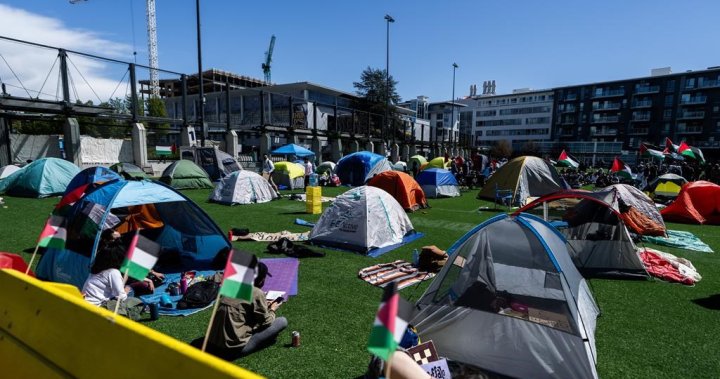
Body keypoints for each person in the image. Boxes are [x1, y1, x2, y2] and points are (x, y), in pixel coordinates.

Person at [207, 262, 288, 359]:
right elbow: (266, 322)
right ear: (261, 280)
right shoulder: (257, 293)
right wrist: (272, 310)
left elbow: (239, 309)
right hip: (233, 349)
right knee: (282, 321)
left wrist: (261, 306)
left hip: (213, 343)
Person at [81, 229, 145, 320]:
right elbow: (121, 297)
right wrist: (126, 289)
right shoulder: (113, 272)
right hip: (97, 308)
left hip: (84, 304)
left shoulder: (96, 268)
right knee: (134, 298)